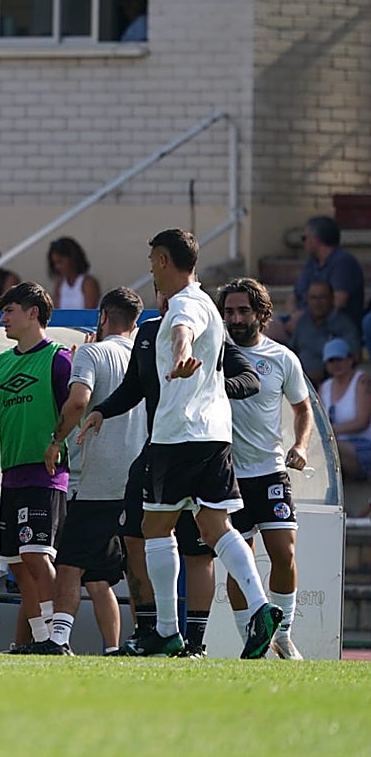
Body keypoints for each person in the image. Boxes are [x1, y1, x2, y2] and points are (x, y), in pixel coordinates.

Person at [126, 228, 281, 659]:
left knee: (154, 527)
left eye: (152, 260)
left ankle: (166, 630)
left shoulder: (184, 305)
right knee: (216, 528)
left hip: (178, 435)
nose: (150, 269)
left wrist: (179, 356)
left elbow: (181, 332)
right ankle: (261, 607)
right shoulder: (206, 302)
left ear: (161, 260)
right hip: (214, 434)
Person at [83, 290, 260, 659]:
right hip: (157, 449)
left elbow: (249, 379)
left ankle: (193, 641)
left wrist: (209, 385)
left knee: (200, 549)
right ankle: (151, 631)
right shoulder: (148, 333)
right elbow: (133, 386)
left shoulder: (207, 328)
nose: (163, 292)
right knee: (136, 535)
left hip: (194, 443)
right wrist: (102, 410)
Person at [45, 287, 145, 655]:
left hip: (94, 479)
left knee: (69, 563)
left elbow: (78, 402)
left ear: (102, 316)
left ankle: (57, 640)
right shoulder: (143, 356)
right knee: (114, 573)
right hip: (135, 479)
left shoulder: (91, 352)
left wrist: (56, 440)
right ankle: (129, 644)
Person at [219, 277, 313, 660]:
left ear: (261, 313)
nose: (235, 318)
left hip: (270, 470)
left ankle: (283, 633)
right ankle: (250, 639)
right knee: (240, 558)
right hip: (228, 474)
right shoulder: (216, 353)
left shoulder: (282, 358)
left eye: (243, 311)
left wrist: (302, 445)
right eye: (229, 312)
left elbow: (303, 408)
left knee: (284, 552)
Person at [0, 282, 72, 653]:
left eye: (10, 310)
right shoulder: (4, 361)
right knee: (17, 564)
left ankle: (59, 636)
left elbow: (75, 409)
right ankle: (42, 640)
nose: (3, 318)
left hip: (45, 474)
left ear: (33, 313)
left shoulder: (59, 358)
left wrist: (56, 443)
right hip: (11, 472)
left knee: (37, 555)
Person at [282, 217, 364, 335]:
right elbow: (294, 296)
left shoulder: (343, 262)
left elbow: (339, 301)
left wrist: (302, 320)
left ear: (316, 240)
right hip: (303, 319)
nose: (302, 243)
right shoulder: (312, 263)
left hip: (332, 323)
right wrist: (293, 315)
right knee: (266, 327)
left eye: (304, 238)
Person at [318, 338, 371, 482]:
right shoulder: (325, 387)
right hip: (336, 442)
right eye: (331, 361)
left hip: (364, 443)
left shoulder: (362, 381)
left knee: (332, 449)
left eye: (339, 359)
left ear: (349, 359)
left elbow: (362, 422)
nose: (336, 364)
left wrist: (331, 431)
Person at [291, 280, 360, 385]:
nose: (317, 302)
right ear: (308, 300)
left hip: (331, 383)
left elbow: (354, 356)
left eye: (322, 297)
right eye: (313, 298)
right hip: (300, 383)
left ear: (332, 299)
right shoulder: (302, 322)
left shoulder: (344, 324)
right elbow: (292, 349)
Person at [47, 237, 100, 310]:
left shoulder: (88, 283)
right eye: (54, 263)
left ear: (73, 258)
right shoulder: (59, 286)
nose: (57, 267)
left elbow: (90, 314)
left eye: (60, 262)